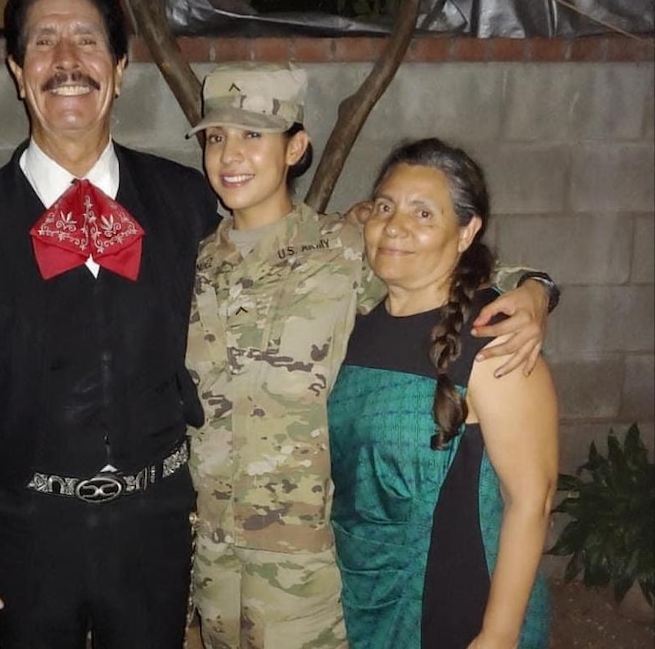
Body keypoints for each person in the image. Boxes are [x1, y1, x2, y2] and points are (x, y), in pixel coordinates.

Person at [184, 63, 558, 649]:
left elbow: (455, 277)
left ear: (296, 147)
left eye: (254, 134)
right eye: (216, 136)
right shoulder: (192, 265)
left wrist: (538, 290)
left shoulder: (340, 253)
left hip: (308, 580)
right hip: (219, 567)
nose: (231, 153)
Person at [0, 0, 219, 649]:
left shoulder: (186, 203)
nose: (67, 60)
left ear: (122, 67)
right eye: (44, 42)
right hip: (25, 530)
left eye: (87, 40)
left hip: (155, 526)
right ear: (17, 71)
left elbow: (311, 261)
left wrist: (516, 286)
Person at [328, 138, 558, 648]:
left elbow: (532, 499)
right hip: (364, 593)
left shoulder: (493, 341)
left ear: (466, 231)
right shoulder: (355, 326)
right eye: (385, 207)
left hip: (459, 603)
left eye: (423, 213)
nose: (395, 226)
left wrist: (498, 633)